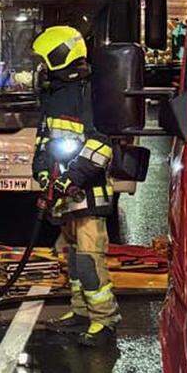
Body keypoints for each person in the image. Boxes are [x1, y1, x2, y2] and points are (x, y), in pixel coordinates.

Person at [30, 25, 118, 347]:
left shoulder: (90, 93)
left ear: (60, 56)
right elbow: (44, 140)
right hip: (64, 192)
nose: (40, 66)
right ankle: (80, 312)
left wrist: (72, 178)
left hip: (88, 193)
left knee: (89, 258)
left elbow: (102, 143)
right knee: (73, 256)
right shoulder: (53, 95)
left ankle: (104, 322)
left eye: (45, 58)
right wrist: (42, 172)